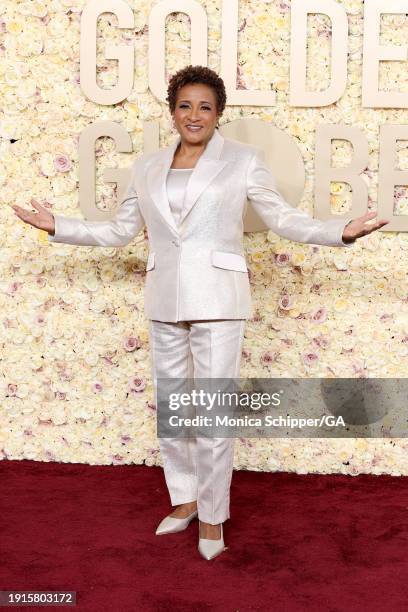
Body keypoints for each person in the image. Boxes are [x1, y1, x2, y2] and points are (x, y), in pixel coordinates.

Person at [12, 65, 388, 560]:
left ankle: (213, 518)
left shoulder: (243, 161)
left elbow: (283, 219)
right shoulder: (146, 168)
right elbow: (118, 231)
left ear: (218, 114)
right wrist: (57, 225)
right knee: (173, 410)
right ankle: (184, 500)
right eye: (185, 105)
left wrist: (341, 231)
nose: (194, 115)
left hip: (219, 300)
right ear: (173, 112)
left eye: (205, 106)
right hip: (164, 299)